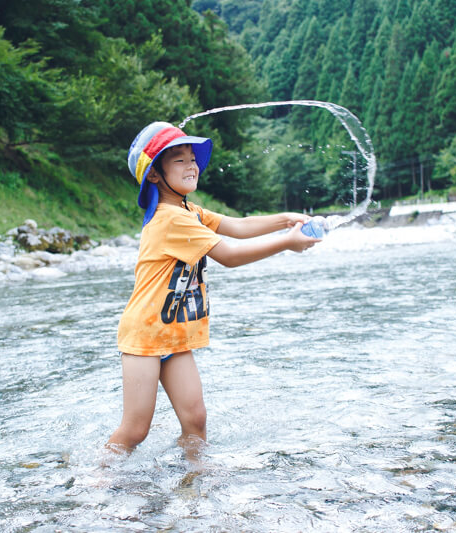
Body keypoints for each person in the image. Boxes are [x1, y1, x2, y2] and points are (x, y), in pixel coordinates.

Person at [106, 121, 320, 457]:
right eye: (178, 159)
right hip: (145, 335)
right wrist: (286, 243)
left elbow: (238, 226)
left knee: (195, 418)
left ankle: (195, 482)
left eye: (192, 158)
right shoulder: (170, 218)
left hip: (172, 333)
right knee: (135, 430)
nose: (191, 165)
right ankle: (97, 480)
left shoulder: (188, 211)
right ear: (154, 175)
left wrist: (285, 219)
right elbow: (230, 256)